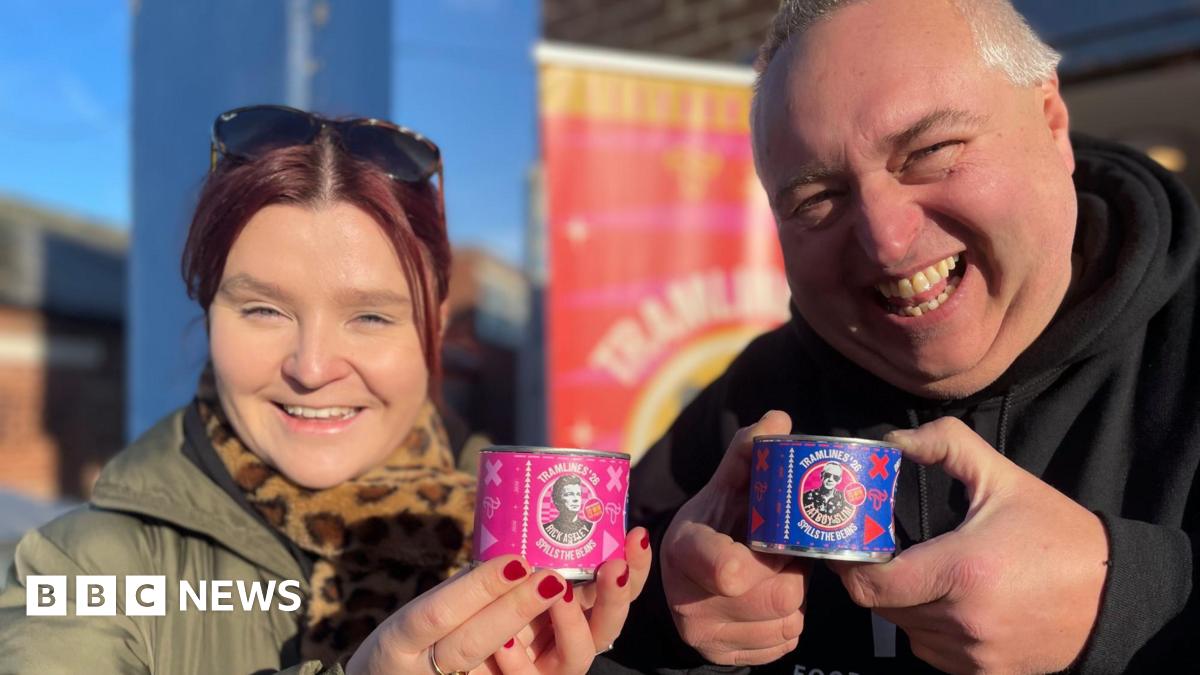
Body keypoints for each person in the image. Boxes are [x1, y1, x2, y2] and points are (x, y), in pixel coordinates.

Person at [612, 0, 1200, 673]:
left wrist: (1131, 602)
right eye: (816, 200)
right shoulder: (748, 407)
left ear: (1052, 121)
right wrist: (663, 613)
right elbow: (589, 624)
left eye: (930, 153)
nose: (886, 240)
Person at [0, 104, 652, 674]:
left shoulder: (531, 556)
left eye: (369, 315)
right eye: (263, 310)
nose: (311, 368)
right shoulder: (84, 568)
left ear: (438, 319)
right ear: (207, 308)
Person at [544, 475, 593, 546]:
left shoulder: (589, 526)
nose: (576, 499)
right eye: (569, 494)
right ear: (557, 500)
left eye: (578, 494)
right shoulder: (546, 529)